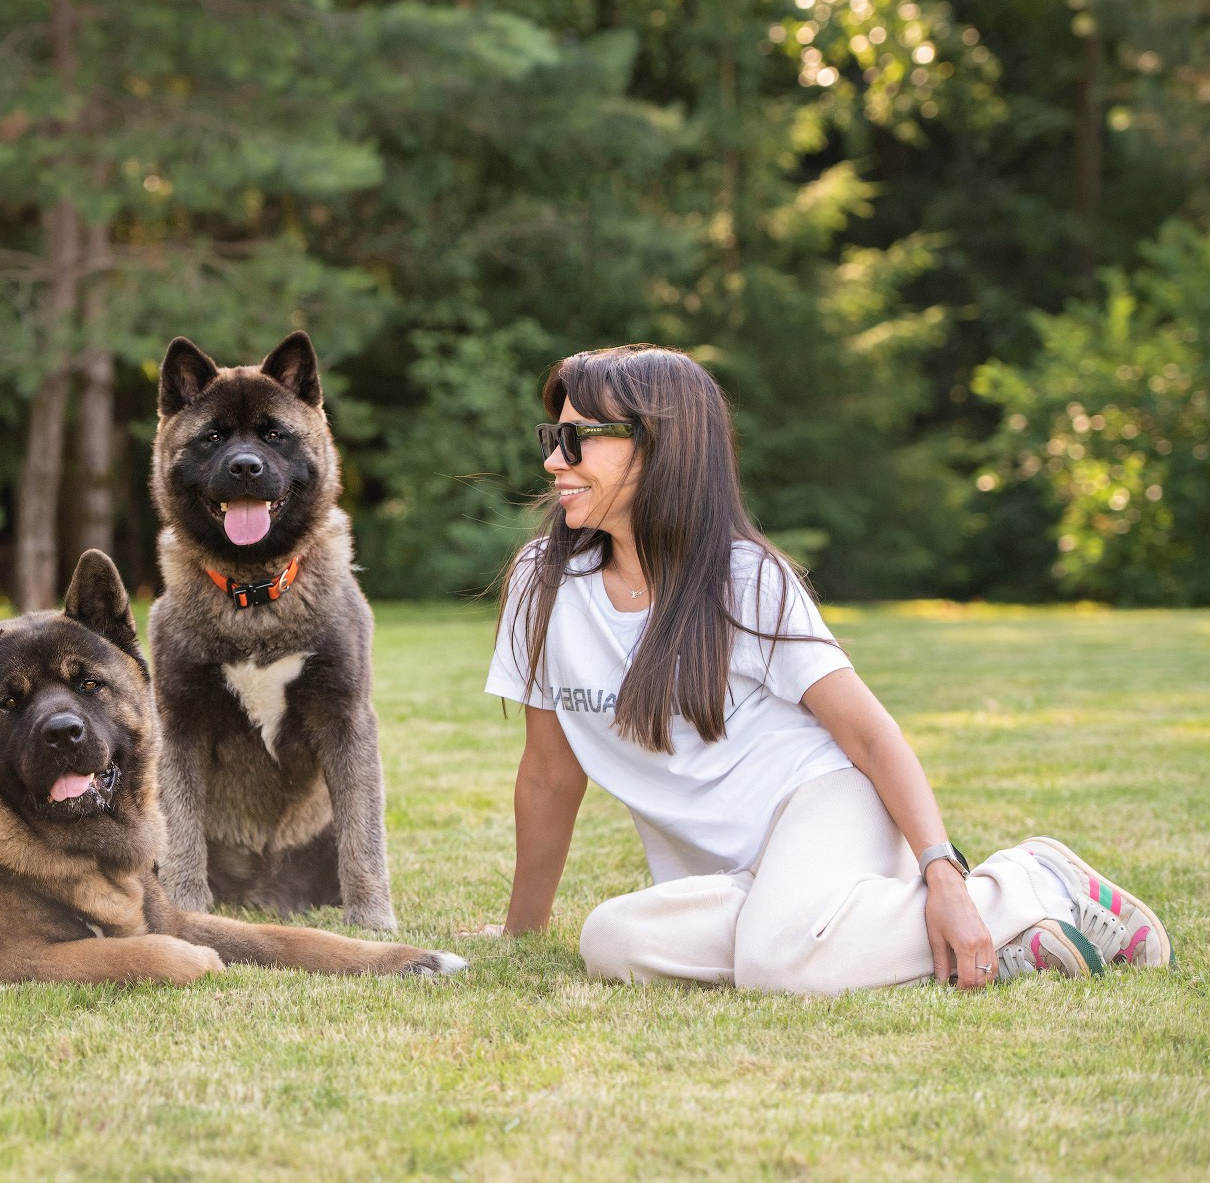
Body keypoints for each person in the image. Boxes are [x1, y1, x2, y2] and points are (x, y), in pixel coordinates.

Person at [481, 344, 1171, 994]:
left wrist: (944, 869)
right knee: (612, 938)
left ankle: (1030, 882)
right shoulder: (541, 585)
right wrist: (521, 930)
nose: (553, 462)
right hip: (734, 880)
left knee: (776, 962)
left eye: (578, 440)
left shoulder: (746, 579)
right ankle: (1001, 943)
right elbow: (549, 770)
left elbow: (869, 734)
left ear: (659, 445)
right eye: (553, 438)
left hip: (826, 805)